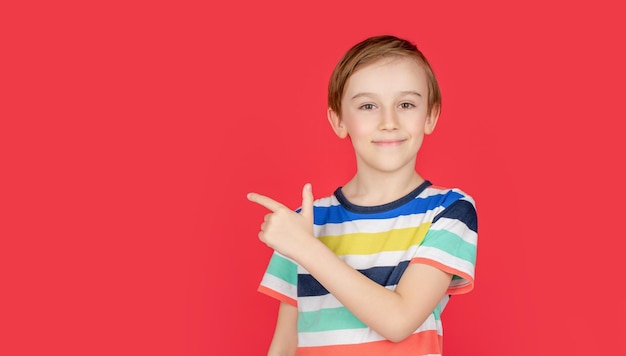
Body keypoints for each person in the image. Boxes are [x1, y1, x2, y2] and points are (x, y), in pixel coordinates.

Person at [247, 35, 478, 355]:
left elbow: (399, 321)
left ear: (430, 116)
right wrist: (300, 242)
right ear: (339, 120)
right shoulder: (303, 223)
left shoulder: (448, 210)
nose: (388, 122)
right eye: (368, 106)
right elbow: (286, 343)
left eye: (406, 104)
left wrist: (306, 248)